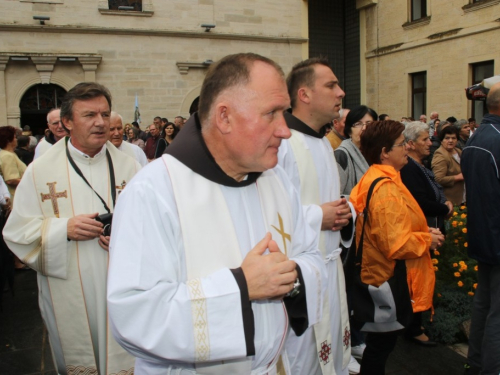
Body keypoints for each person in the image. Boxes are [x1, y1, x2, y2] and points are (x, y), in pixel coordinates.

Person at [107, 53, 326, 374]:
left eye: (285, 113)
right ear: (224, 117)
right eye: (271, 114)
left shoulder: (276, 179)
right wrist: (241, 286)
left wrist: (291, 278)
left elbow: (309, 252)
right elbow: (134, 315)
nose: (285, 130)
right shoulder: (154, 191)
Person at [3, 82, 140, 374]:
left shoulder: (131, 169)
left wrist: (125, 236)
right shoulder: (40, 172)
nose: (101, 122)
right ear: (66, 123)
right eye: (90, 115)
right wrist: (63, 229)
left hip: (122, 283)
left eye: (104, 114)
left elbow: (154, 228)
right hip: (68, 288)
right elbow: (16, 232)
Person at [279, 58, 356, 375]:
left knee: (332, 358)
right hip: (299, 278)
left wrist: (342, 211)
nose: (341, 92)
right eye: (331, 85)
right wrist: (317, 216)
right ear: (304, 94)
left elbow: (323, 201)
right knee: (304, 363)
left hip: (329, 267)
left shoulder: (323, 143)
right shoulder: (283, 144)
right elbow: (269, 212)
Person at [349, 120, 443, 374]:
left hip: (381, 273)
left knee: (380, 346)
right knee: (380, 347)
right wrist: (427, 240)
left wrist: (422, 232)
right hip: (386, 278)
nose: (407, 148)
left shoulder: (382, 178)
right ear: (384, 152)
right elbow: (395, 244)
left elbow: (392, 227)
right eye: (402, 144)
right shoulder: (386, 189)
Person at [400, 121, 453, 346]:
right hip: (421, 233)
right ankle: (413, 327)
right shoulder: (410, 168)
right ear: (410, 144)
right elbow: (420, 202)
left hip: (428, 230)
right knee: (415, 281)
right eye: (425, 139)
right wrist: (445, 208)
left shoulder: (418, 164)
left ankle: (415, 323)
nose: (430, 143)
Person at [462, 82, 500, 375]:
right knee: (495, 313)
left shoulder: (477, 137)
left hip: (483, 236)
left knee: (483, 305)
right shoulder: (495, 138)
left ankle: (476, 363)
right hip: (495, 237)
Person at [335, 105, 378, 196]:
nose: (364, 128)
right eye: (358, 124)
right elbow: (335, 195)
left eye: (369, 123)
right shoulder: (341, 155)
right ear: (349, 130)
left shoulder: (378, 153)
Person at [431, 126, 465, 205]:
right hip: (450, 200)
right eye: (447, 138)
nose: (450, 141)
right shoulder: (440, 154)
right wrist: (457, 177)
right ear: (441, 140)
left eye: (453, 138)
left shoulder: (458, 151)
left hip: (462, 197)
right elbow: (438, 179)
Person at [0, 126, 27, 202]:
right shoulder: (7, 156)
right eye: (15, 137)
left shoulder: (10, 154)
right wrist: (30, 180)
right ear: (9, 140)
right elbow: (10, 179)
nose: (16, 140)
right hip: (14, 197)